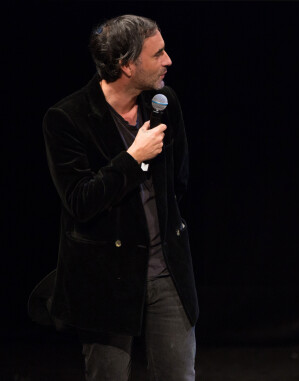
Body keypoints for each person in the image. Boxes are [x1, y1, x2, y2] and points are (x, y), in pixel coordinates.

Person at [42, 15, 198, 380]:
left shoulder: (164, 102)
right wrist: (131, 159)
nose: (168, 60)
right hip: (104, 278)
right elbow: (80, 201)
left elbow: (179, 182)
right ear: (126, 65)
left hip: (165, 272)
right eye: (157, 54)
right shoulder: (67, 118)